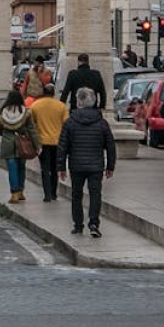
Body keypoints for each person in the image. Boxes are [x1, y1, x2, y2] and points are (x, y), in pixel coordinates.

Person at [58, 87, 116, 238]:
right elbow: (110, 145)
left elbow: (63, 146)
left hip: (76, 165)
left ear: (78, 101)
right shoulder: (102, 123)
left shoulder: (70, 122)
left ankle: (78, 225)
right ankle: (94, 223)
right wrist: (110, 166)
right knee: (95, 194)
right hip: (96, 166)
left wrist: (61, 167)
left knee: (76, 195)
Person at [0, 89, 40, 203]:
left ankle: (14, 193)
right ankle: (20, 191)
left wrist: (5, 134)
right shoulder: (25, 112)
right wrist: (37, 145)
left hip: (8, 143)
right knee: (21, 168)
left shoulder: (2, 113)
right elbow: (32, 130)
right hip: (22, 143)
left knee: (12, 169)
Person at [30, 84, 69, 201]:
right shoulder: (61, 106)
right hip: (57, 142)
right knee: (54, 168)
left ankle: (47, 194)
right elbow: (66, 124)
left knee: (45, 169)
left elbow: (31, 125)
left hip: (42, 142)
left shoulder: (35, 106)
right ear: (53, 93)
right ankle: (54, 193)